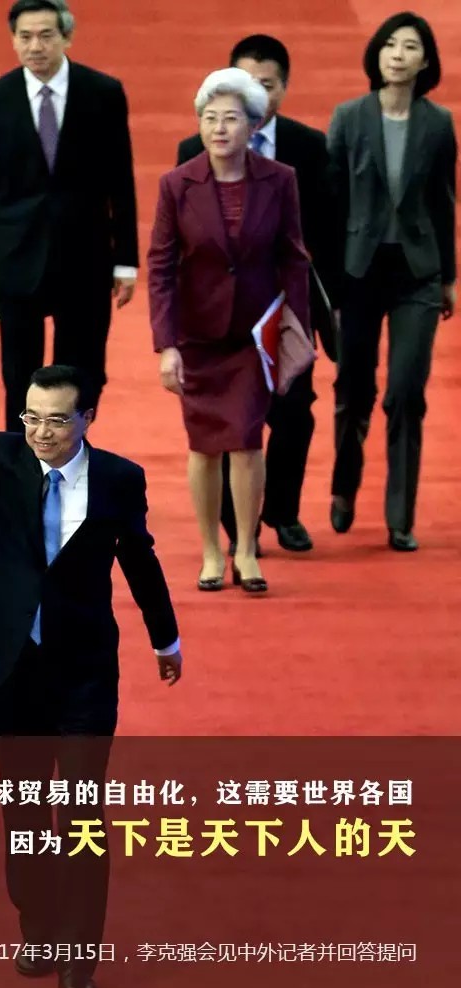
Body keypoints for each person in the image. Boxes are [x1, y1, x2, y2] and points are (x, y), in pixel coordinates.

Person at [0, 369, 181, 988]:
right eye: (31, 417)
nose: (40, 432)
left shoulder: (119, 478)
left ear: (87, 418)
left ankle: (80, 957)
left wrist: (166, 639)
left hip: (84, 675)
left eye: (55, 420)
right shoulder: (0, 457)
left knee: (80, 814)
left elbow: (140, 558)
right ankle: (38, 928)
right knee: (24, 810)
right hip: (12, 669)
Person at [148, 68, 310, 594]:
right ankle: (211, 552)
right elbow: (161, 265)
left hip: (254, 337)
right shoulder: (177, 184)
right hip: (198, 337)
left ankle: (245, 547)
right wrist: (166, 344)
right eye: (210, 118)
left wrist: (297, 331)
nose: (219, 128)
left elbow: (293, 257)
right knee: (204, 446)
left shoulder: (279, 180)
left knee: (245, 440)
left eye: (231, 119)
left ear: (253, 125)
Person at [177, 36, 338, 555]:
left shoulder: (308, 147)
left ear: (282, 89)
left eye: (265, 85)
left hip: (285, 310)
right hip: (220, 312)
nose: (254, 94)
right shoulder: (193, 148)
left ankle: (283, 512)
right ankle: (236, 529)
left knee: (295, 411)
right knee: (229, 418)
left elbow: (325, 233)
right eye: (245, 82)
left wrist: (325, 305)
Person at [0, 1, 139, 431]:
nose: (35, 46)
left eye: (45, 36)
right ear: (13, 41)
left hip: (85, 257)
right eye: (25, 37)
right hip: (15, 257)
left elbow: (120, 181)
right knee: (19, 374)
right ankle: (21, 464)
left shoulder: (103, 93)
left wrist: (125, 261)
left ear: (66, 38)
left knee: (82, 372)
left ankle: (74, 457)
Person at [327, 11, 457, 550]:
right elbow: (332, 200)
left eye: (410, 47)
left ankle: (400, 516)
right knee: (354, 387)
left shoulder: (438, 123)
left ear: (426, 61)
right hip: (359, 269)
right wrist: (328, 277)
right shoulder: (349, 117)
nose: (398, 55)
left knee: (406, 389)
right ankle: (344, 485)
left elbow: (444, 202)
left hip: (417, 274)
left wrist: (449, 277)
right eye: (390, 45)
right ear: (376, 55)